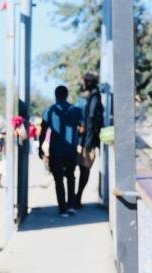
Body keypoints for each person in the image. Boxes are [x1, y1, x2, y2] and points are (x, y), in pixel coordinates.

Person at [39, 85, 84, 217]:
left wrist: (40, 147)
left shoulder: (50, 110)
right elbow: (82, 128)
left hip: (56, 150)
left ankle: (62, 208)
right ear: (67, 95)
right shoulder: (76, 110)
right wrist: (76, 137)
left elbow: (43, 131)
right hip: (71, 149)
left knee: (58, 180)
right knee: (70, 177)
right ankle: (71, 206)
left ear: (56, 95)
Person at [77, 73, 103, 208]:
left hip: (88, 140)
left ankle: (77, 198)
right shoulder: (93, 97)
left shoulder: (94, 97)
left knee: (84, 169)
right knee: (84, 169)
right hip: (88, 140)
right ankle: (77, 198)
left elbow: (92, 117)